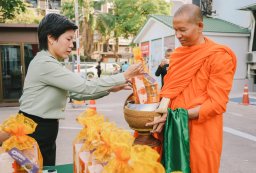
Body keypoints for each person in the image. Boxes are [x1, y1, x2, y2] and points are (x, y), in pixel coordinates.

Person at [0, 13, 144, 166]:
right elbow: (84, 86)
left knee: (44, 168)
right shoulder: (45, 64)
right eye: (68, 39)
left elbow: (76, 93)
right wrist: (123, 75)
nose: (71, 45)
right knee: (36, 169)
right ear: (51, 38)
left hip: (40, 129)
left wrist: (110, 88)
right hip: (35, 131)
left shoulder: (48, 62)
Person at [146, 4, 237, 173]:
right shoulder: (178, 55)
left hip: (200, 132)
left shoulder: (219, 56)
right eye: (175, 30)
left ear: (200, 26)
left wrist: (176, 117)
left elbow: (217, 104)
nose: (178, 35)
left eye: (183, 30)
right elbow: (169, 91)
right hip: (170, 129)